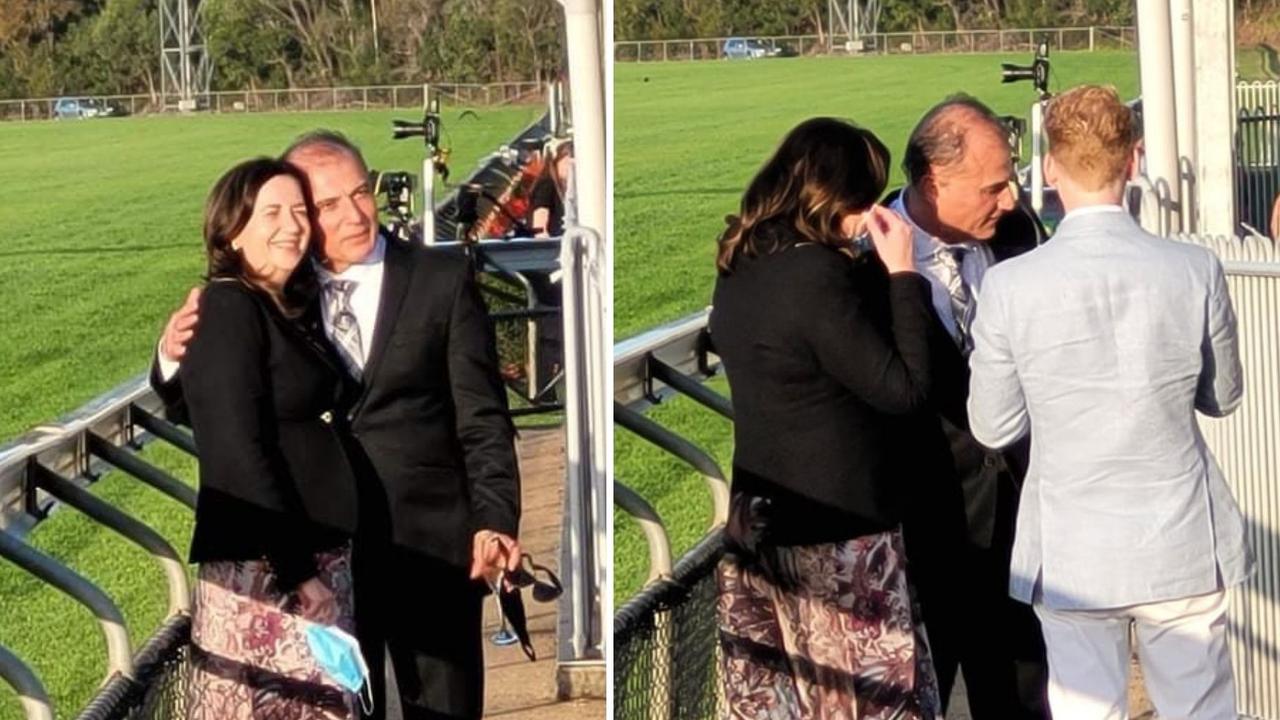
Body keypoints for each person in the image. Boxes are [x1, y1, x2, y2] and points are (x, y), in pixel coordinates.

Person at [154, 131, 523, 720]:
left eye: (362, 192)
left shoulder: (440, 279)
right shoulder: (274, 294)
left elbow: (482, 416)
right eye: (325, 205)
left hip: (428, 545)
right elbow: (221, 411)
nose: (353, 214)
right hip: (320, 554)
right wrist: (170, 358)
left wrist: (495, 519)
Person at [968, 84, 1250, 720]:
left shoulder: (1010, 285)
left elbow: (993, 425)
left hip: (1071, 543)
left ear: (1049, 167)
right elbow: (1224, 396)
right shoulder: (1194, 268)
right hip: (1179, 534)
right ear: (1135, 159)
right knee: (1201, 707)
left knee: (1085, 709)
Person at [710, 117, 942, 719]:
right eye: (865, 197)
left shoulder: (741, 263)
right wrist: (902, 274)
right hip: (841, 534)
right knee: (871, 702)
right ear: (834, 196)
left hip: (758, 523)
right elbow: (906, 390)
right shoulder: (817, 275)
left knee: (784, 701)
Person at [174, 157, 361, 719]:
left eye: (300, 211)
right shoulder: (230, 307)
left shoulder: (282, 307)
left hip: (304, 562)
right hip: (269, 575)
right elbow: (236, 449)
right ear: (232, 230)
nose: (292, 225)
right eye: (271, 213)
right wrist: (300, 572)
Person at [886, 95, 1049, 719]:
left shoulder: (1020, 234)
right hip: (920, 534)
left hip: (1020, 522)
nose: (1009, 199)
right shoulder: (865, 258)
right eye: (994, 186)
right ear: (934, 181)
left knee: (1022, 698)